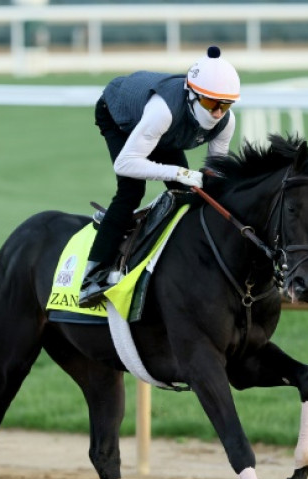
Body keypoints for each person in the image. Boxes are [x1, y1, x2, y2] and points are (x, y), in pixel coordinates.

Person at [78, 45, 241, 308]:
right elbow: (125, 163)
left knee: (187, 196)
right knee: (131, 191)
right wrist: (180, 172)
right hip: (119, 114)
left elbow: (214, 171)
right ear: (192, 95)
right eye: (211, 103)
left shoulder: (226, 122)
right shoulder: (162, 110)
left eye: (225, 105)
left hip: (166, 130)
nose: (217, 113)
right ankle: (92, 275)